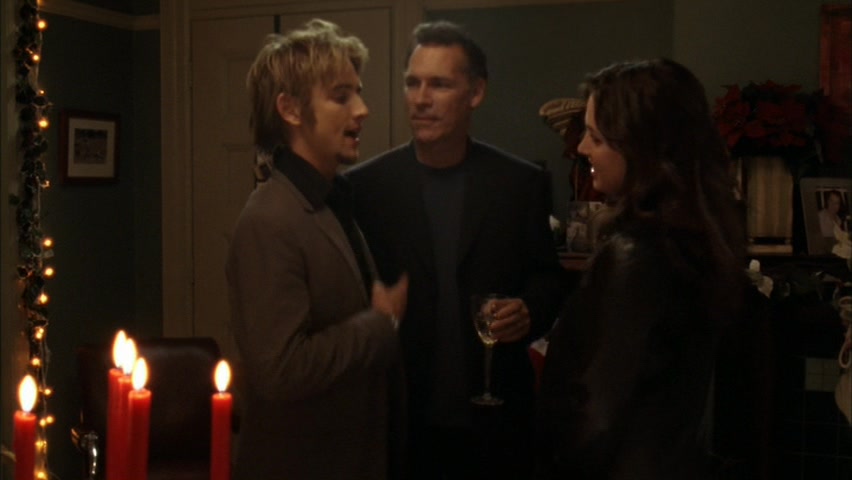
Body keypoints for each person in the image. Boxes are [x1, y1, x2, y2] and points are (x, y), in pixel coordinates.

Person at [346, 20, 565, 480]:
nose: (421, 99)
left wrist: (528, 310)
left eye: (440, 84)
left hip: (496, 420)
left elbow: (548, 278)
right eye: (413, 83)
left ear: (476, 92)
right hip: (402, 420)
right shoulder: (365, 188)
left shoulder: (519, 184)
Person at [535, 58, 748, 480]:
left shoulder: (636, 257)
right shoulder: (693, 239)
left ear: (640, 148)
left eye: (596, 137)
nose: (581, 148)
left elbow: (597, 417)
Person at [226, 19, 408, 479]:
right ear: (289, 109)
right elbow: (280, 370)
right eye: (341, 97)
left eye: (358, 93)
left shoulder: (329, 199)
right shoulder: (269, 219)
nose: (362, 109)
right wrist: (380, 322)